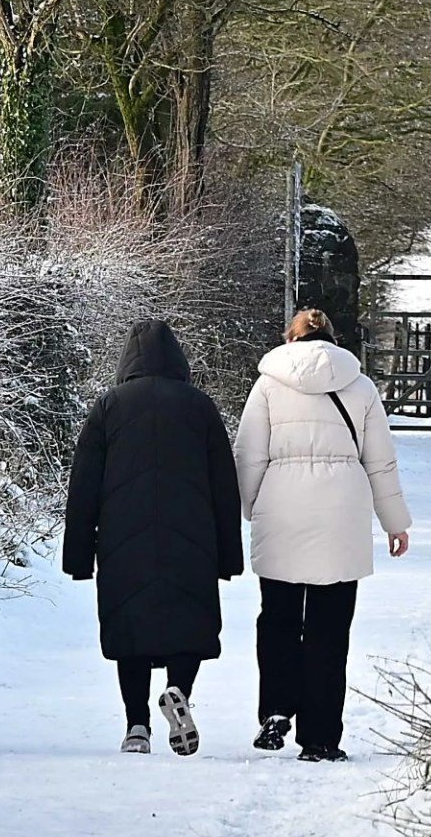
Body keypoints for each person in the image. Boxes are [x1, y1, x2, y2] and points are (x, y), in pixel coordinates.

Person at [233, 308, 410, 762]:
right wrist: (395, 522)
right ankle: (320, 738)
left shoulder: (268, 383)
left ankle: (275, 709)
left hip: (282, 510)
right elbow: (380, 461)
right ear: (334, 341)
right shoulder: (361, 386)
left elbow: (249, 454)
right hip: (341, 515)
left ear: (290, 340)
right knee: (329, 630)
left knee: (278, 619)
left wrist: (251, 508)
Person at [63, 319, 242, 755]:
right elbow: (224, 485)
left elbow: (83, 485)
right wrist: (228, 556)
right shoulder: (200, 407)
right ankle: (178, 688)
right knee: (189, 622)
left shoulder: (108, 407)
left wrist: (79, 556)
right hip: (192, 536)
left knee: (131, 628)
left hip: (124, 539)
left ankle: (137, 725)